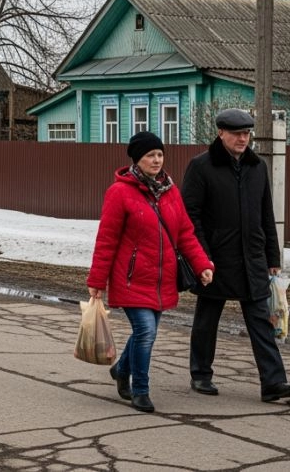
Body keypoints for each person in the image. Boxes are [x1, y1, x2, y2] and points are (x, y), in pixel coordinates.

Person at [180, 108, 290, 403]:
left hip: (252, 258)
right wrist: (201, 257)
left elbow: (266, 214)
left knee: (262, 321)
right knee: (207, 319)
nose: (243, 138)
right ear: (221, 133)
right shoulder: (201, 166)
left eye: (246, 133)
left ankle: (273, 382)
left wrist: (273, 258)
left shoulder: (257, 166)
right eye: (237, 133)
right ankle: (200, 374)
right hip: (215, 259)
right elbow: (190, 217)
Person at [87, 131, 214, 413]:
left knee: (147, 331)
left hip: (162, 279)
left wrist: (202, 264)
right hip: (130, 278)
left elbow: (185, 234)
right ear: (137, 159)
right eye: (150, 156)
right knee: (145, 331)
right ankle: (140, 390)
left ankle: (121, 369)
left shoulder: (170, 191)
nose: (156, 160)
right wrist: (97, 281)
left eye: (159, 154)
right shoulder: (119, 192)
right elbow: (106, 239)